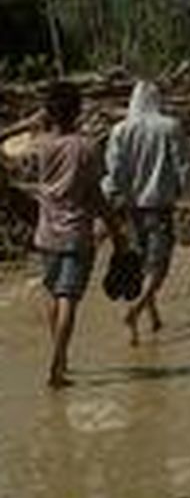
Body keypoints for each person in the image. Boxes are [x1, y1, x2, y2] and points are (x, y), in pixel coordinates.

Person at [35, 82, 126, 389]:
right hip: (77, 234)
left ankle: (61, 358)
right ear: (77, 111)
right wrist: (116, 233)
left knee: (51, 291)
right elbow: (96, 197)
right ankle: (58, 365)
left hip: (47, 232)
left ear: (50, 112)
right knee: (69, 299)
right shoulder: (87, 148)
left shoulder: (43, 145)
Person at [104, 81, 190, 345]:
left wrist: (113, 200)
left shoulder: (120, 130)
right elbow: (184, 166)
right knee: (159, 266)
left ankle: (152, 317)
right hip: (159, 206)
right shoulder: (170, 127)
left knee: (142, 261)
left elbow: (114, 171)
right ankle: (135, 312)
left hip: (131, 207)